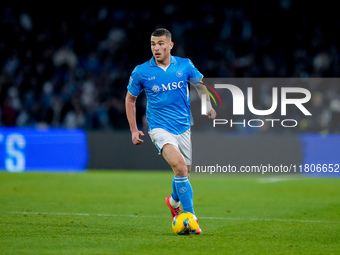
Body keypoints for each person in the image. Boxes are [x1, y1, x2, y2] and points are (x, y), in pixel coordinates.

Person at [125, 28, 216, 234]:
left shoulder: (184, 65)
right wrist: (133, 129)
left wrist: (208, 106)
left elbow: (199, 86)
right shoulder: (142, 71)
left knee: (184, 172)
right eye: (152, 44)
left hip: (183, 126)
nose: (156, 48)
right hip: (159, 128)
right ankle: (192, 219)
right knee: (181, 168)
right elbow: (130, 99)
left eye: (160, 43)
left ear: (170, 45)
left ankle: (173, 202)